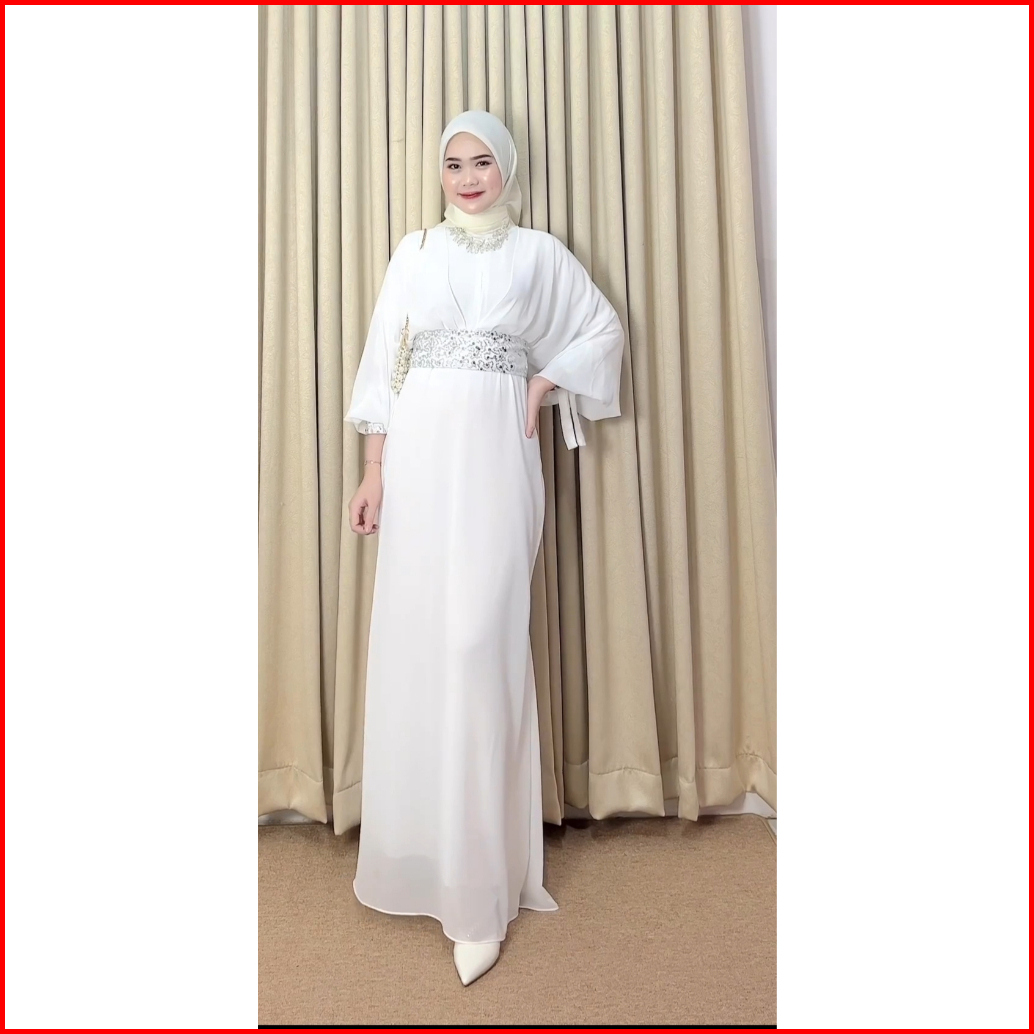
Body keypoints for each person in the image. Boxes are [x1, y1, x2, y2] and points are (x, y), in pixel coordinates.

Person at [344, 110, 624, 986]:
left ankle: (480, 887)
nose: (467, 179)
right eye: (454, 164)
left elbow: (602, 329)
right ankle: (423, 857)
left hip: (499, 461)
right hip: (419, 460)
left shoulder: (540, 254)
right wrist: (374, 471)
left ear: (507, 168)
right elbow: (383, 361)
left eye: (482, 164)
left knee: (479, 642)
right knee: (421, 644)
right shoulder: (415, 251)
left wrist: (542, 382)